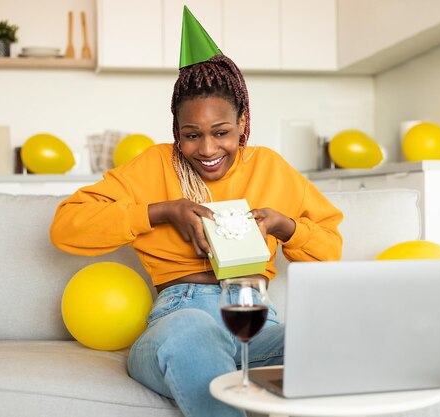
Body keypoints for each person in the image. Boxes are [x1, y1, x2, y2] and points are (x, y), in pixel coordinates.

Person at [50, 7, 343, 417]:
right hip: (179, 318)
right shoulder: (154, 165)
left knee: (336, 337)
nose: (207, 149)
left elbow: (331, 250)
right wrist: (161, 211)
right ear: (176, 133)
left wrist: (285, 226)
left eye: (221, 133)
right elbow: (66, 226)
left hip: (255, 325)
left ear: (242, 124)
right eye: (192, 136)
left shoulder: (269, 167)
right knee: (193, 330)